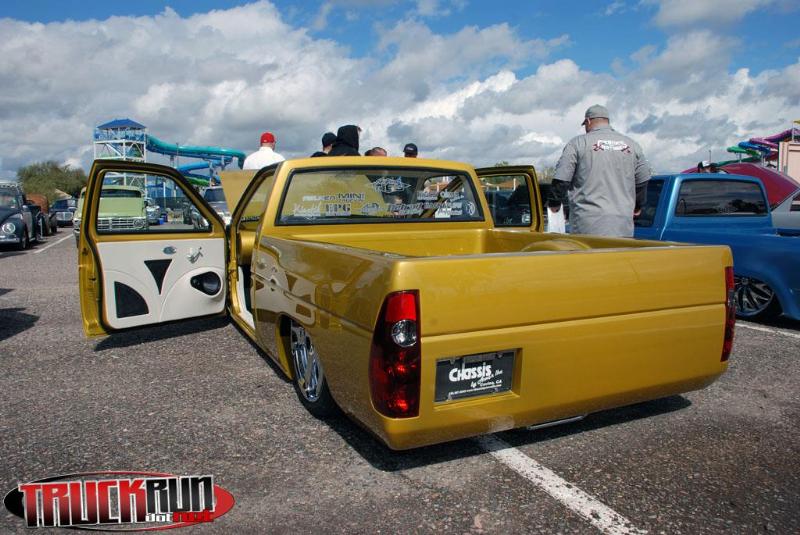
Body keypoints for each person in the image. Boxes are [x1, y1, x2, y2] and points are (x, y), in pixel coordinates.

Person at [548, 104, 650, 238]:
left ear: (588, 121)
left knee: (589, 252)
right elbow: (643, 180)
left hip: (587, 225)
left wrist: (554, 203)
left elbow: (562, 178)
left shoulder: (578, 143)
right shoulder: (632, 145)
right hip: (623, 226)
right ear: (607, 121)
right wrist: (638, 205)